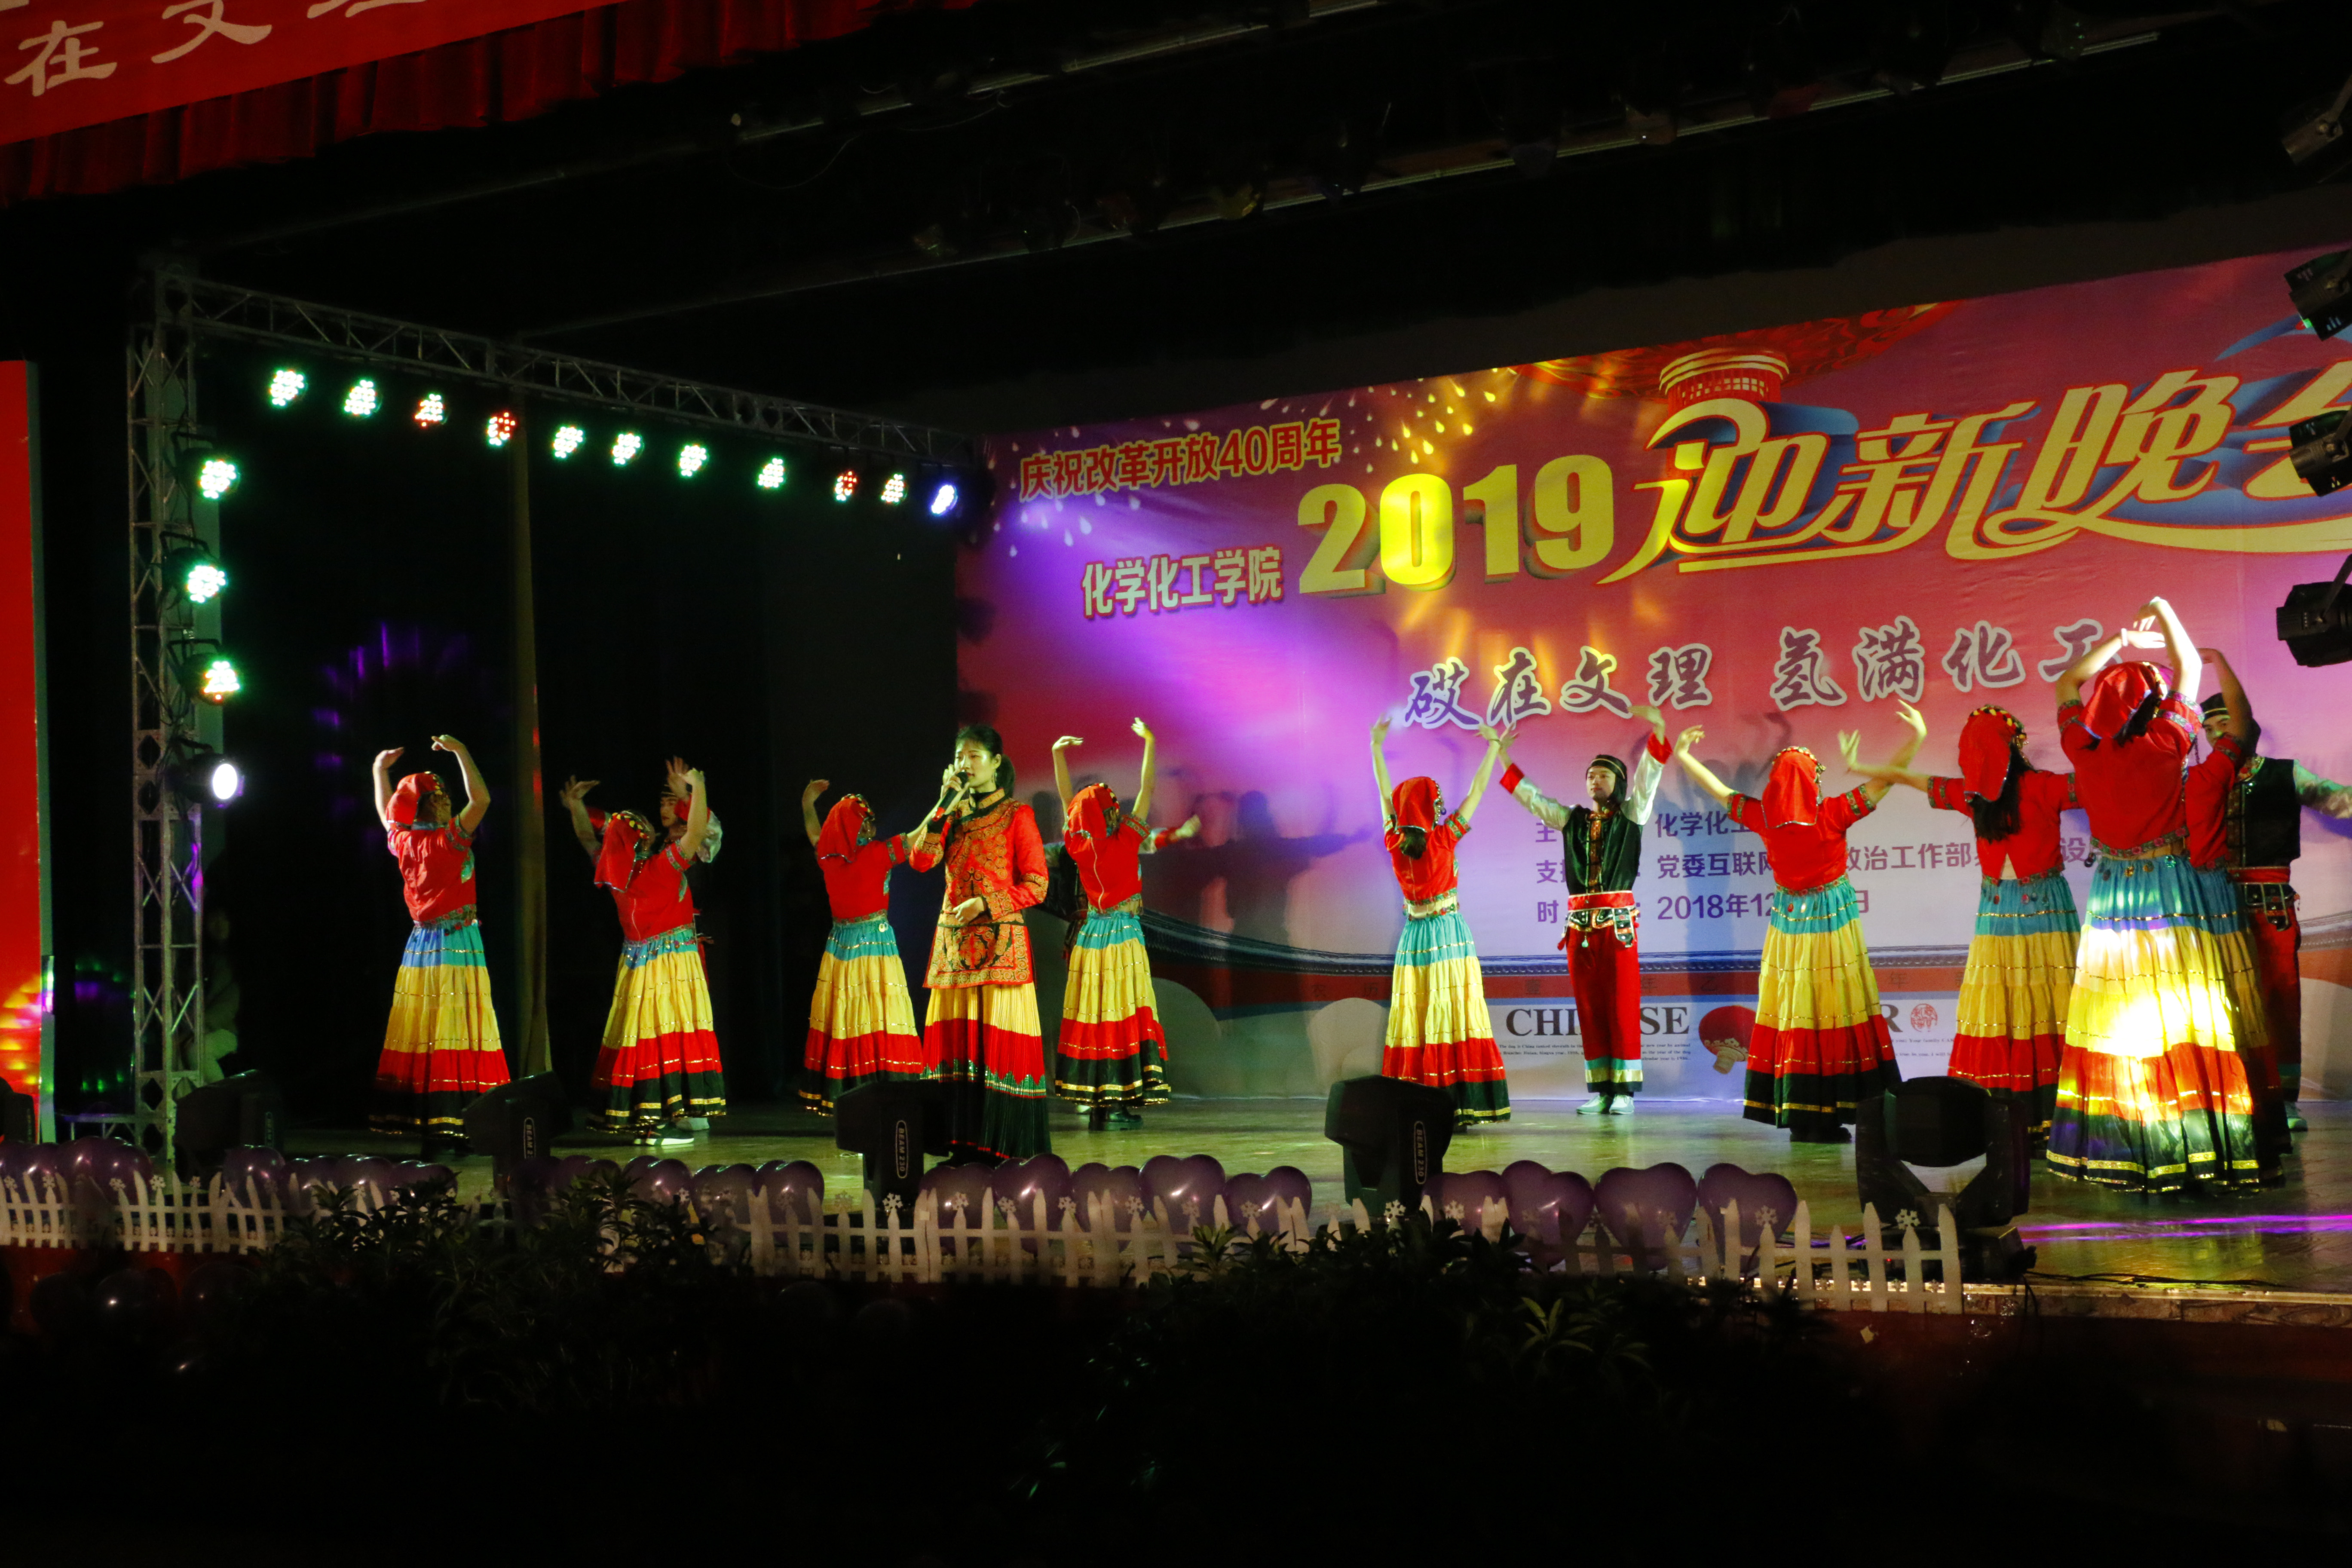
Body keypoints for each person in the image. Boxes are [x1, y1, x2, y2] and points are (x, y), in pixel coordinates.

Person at [2047, 600, 2272, 1192]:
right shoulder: (2169, 742)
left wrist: (2119, 637)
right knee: (2183, 1015)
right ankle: (2197, 1138)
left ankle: (2127, 1145)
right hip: (2171, 889)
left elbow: (2066, 683)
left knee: (2120, 1022)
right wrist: (2163, 608)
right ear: (2155, 706)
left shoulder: (2080, 748)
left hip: (2112, 895)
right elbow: (2190, 668)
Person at [1671, 704, 1925, 1143]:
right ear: (1811, 783)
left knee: (1796, 1010)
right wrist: (1916, 737)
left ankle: (1803, 1113)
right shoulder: (1833, 813)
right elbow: (1886, 781)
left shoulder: (1764, 818)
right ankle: (1837, 1108)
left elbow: (1717, 790)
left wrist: (1683, 756)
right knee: (1836, 1008)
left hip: (1789, 924)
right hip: (1833, 924)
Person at [1843, 707, 2081, 1140]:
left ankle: (2026, 1113)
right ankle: (2043, 1112)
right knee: (2039, 1003)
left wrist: (1862, 766)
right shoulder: (2021, 789)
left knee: (2019, 1005)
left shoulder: (1983, 795)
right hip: (2032, 908)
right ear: (2017, 745)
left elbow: (1906, 778)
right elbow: (2100, 781)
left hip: (2014, 909)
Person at [2190, 648, 2352, 1137]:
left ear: (2247, 727)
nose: (2217, 734)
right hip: (2212, 905)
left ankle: (2282, 1100)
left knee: (2279, 1000)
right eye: (2209, 728)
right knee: (2217, 1002)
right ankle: (2228, 1094)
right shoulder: (2197, 780)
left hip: (2271, 904)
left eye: (2225, 723)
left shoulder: (2284, 774)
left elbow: (2339, 800)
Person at [1494, 704, 1671, 1114]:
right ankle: (1602, 1089)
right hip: (1579, 926)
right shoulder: (1572, 820)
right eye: (1591, 775)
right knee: (1589, 1009)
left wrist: (1659, 729)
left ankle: (1624, 1092)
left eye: (1604, 775)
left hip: (1617, 925)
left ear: (1619, 782)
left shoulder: (1632, 815)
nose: (1595, 780)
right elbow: (1532, 800)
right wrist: (1503, 755)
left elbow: (1648, 779)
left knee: (1621, 1006)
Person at [561, 759, 726, 1146]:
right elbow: (697, 832)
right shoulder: (661, 868)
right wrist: (698, 785)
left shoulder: (617, 876)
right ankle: (654, 1124)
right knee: (668, 1038)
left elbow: (588, 839)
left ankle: (649, 1119)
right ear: (643, 840)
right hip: (671, 965)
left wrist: (577, 809)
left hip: (637, 966)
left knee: (641, 1039)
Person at [908, 724, 1052, 1161]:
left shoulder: (1017, 816)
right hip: (955, 949)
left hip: (1000, 948)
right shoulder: (950, 816)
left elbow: (1038, 885)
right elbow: (920, 861)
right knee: (956, 1049)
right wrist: (943, 803)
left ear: (996, 763)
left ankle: (1002, 1145)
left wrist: (986, 905)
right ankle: (960, 1143)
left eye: (974, 756)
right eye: (960, 757)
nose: (965, 764)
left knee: (997, 1050)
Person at [1369, 716, 1511, 1127]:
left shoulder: (1395, 841)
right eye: (1437, 802)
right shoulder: (1444, 837)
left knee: (1419, 1015)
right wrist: (1493, 747)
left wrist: (1376, 747)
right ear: (1429, 808)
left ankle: (1421, 1105)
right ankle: (1459, 1103)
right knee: (1453, 1011)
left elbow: (1384, 794)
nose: (1443, 807)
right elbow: (1477, 790)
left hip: (1414, 937)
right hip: (1448, 932)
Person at [368, 736, 509, 1151]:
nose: (446, 799)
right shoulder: (447, 840)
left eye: (446, 793)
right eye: (437, 795)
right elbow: (481, 800)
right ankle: (450, 1119)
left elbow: (387, 814)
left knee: (432, 1026)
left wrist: (379, 770)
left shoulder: (403, 841)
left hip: (422, 946)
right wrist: (462, 752)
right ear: (422, 806)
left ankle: (441, 1121)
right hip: (456, 942)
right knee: (452, 1025)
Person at [1049, 720, 1184, 1130]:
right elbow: (1147, 788)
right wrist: (1151, 742)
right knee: (1122, 1015)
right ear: (1110, 813)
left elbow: (1068, 799)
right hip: (1123, 935)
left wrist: (1057, 755)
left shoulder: (1078, 844)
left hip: (1091, 937)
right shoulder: (1125, 839)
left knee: (1096, 1016)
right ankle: (1118, 1104)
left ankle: (1097, 1104)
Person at [799, 780, 922, 1115]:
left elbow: (815, 833)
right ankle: (879, 1094)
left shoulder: (827, 857)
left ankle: (854, 1095)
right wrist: (944, 804)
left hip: (841, 948)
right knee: (877, 1016)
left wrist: (808, 804)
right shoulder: (878, 854)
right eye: (864, 821)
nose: (870, 827)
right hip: (875, 946)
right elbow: (917, 837)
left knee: (849, 1016)